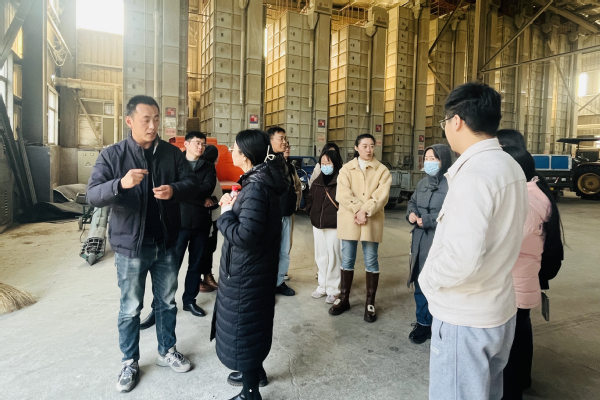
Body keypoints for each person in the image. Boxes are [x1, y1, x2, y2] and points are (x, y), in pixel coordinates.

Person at [418, 82, 529, 400]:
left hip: (464, 317)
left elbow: (460, 259)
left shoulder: (474, 175)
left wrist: (428, 281)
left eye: (445, 122)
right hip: (496, 310)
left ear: (456, 121)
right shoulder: (510, 166)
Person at [87, 95, 196, 393]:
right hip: (130, 247)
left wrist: (174, 190)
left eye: (156, 119)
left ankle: (166, 351)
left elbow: (192, 185)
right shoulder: (113, 155)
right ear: (130, 121)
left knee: (167, 302)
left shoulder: (172, 154)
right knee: (130, 307)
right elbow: (93, 194)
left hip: (166, 243)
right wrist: (120, 184)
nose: (152, 125)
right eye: (146, 119)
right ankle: (129, 361)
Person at [210, 129, 288, 400]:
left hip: (247, 273)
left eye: (234, 148)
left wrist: (225, 215)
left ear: (245, 155)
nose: (231, 151)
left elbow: (245, 236)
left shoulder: (255, 187)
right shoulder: (260, 180)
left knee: (244, 328)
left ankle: (250, 392)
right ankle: (255, 373)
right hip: (255, 269)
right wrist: (235, 206)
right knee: (252, 326)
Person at [500, 146, 564, 400]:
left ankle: (512, 392)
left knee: (510, 346)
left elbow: (507, 244)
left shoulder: (524, 201)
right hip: (524, 281)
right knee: (520, 334)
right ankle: (522, 380)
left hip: (515, 283)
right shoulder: (533, 192)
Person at [139, 131, 217, 330]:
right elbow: (169, 191)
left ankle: (189, 300)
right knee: (169, 268)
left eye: (203, 144)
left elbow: (207, 188)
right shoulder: (175, 163)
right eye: (197, 143)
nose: (200, 147)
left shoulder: (208, 166)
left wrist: (181, 192)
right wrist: (196, 197)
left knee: (195, 265)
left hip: (200, 223)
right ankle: (158, 307)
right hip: (177, 223)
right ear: (187, 144)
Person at [330, 133, 392, 323]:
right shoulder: (346, 169)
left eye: (372, 146)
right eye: (364, 146)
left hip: (371, 219)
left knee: (371, 259)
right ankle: (344, 299)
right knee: (347, 258)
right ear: (356, 148)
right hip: (350, 218)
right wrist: (358, 209)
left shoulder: (382, 170)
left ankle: (370, 302)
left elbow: (382, 195)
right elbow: (342, 193)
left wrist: (365, 210)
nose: (369, 149)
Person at [405, 144, 452, 344]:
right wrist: (412, 214)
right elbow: (412, 202)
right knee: (420, 282)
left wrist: (430, 220)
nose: (429, 162)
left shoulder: (452, 185)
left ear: (444, 161)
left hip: (439, 240)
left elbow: (453, 213)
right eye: (427, 158)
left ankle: (441, 324)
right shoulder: (422, 183)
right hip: (419, 240)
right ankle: (423, 323)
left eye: (434, 158)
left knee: (438, 284)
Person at [305, 147, 344, 304]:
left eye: (328, 162)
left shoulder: (342, 181)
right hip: (318, 225)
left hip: (334, 226)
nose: (325, 166)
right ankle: (322, 286)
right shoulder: (317, 182)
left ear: (335, 163)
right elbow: (309, 198)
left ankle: (333, 290)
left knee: (334, 257)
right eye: (323, 163)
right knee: (321, 256)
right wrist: (311, 213)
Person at [267, 127, 298, 296]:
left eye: (285, 138)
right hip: (272, 215)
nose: (284, 142)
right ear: (270, 140)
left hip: (286, 213)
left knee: (284, 251)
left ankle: (278, 282)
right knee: (270, 251)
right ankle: (267, 284)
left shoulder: (285, 164)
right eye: (281, 138)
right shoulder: (266, 163)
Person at [197, 144, 222, 293]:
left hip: (214, 216)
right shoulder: (202, 173)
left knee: (210, 247)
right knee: (202, 249)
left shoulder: (212, 172)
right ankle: (198, 280)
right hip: (204, 217)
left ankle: (207, 275)